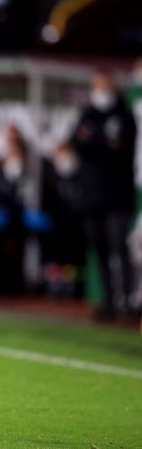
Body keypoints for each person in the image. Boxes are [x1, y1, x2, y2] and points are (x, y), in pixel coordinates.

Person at [64, 69, 138, 318]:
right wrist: (103, 143)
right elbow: (77, 144)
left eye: (104, 85)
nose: (101, 91)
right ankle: (106, 300)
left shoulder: (124, 116)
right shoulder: (87, 115)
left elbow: (119, 149)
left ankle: (126, 298)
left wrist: (94, 143)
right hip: (92, 195)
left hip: (117, 195)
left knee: (119, 246)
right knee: (100, 248)